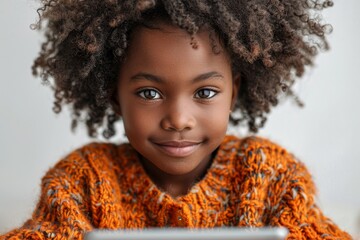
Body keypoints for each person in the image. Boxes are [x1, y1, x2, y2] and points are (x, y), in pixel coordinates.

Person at [0, 0, 352, 239]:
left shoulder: (271, 177)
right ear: (115, 97)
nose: (179, 119)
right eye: (150, 93)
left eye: (205, 93)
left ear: (234, 91)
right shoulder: (83, 182)